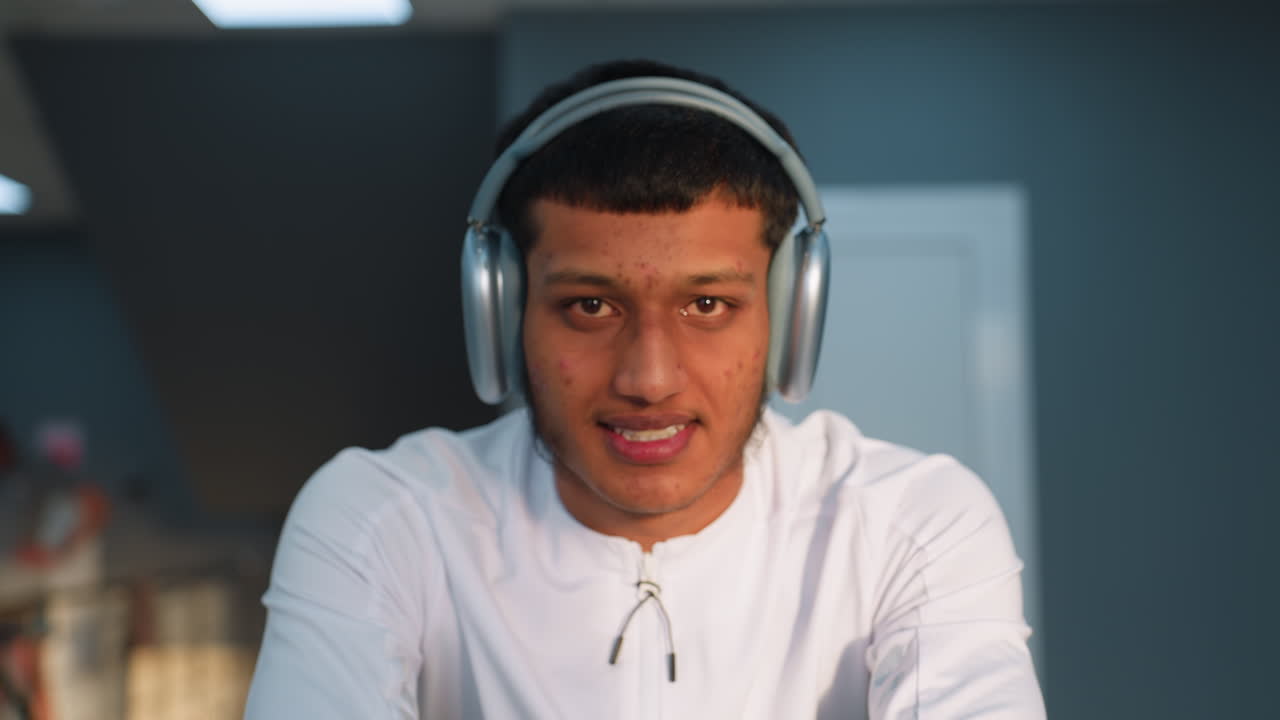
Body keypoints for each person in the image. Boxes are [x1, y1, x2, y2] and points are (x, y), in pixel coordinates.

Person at [245, 59, 1046, 719]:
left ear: (788, 317)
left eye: (709, 305)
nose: (649, 379)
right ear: (504, 312)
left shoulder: (912, 524)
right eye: (590, 307)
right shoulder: (382, 520)